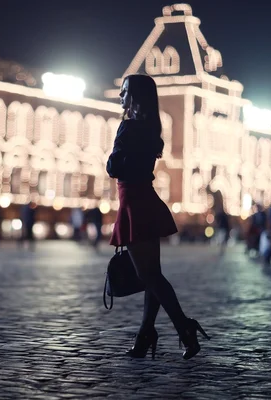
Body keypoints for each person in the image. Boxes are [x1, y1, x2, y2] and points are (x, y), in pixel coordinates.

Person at [106, 74, 209, 360]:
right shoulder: (152, 128)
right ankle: (145, 335)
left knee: (149, 275)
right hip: (146, 201)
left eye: (125, 92)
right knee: (153, 275)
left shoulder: (128, 127)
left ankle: (185, 329)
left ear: (136, 96)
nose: (120, 96)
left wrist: (117, 151)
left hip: (134, 204)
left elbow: (113, 167)